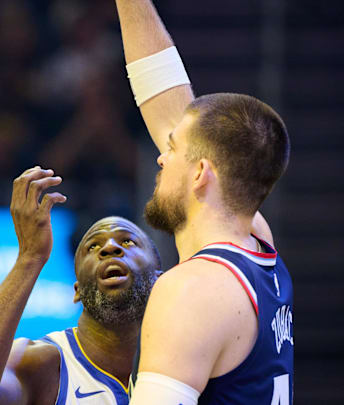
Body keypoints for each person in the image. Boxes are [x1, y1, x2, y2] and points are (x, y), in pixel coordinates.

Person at [111, 1, 294, 404]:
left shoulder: (191, 292)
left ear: (200, 174)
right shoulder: (256, 245)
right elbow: (166, 99)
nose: (161, 156)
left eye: (172, 149)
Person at [0, 166, 163, 405]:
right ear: (77, 291)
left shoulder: (188, 365)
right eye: (93, 247)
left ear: (159, 282)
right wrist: (29, 258)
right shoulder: (40, 362)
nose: (109, 248)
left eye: (127, 241)